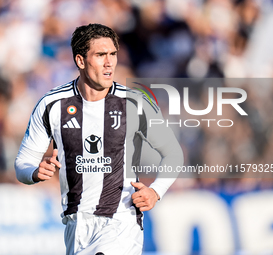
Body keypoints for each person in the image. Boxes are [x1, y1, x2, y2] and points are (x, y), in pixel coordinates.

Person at [15, 23, 183, 255]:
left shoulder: (135, 103)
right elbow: (23, 163)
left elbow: (173, 153)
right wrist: (34, 172)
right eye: (101, 55)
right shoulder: (52, 105)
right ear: (81, 61)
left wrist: (156, 191)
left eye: (113, 54)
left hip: (120, 221)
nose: (109, 63)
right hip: (76, 225)